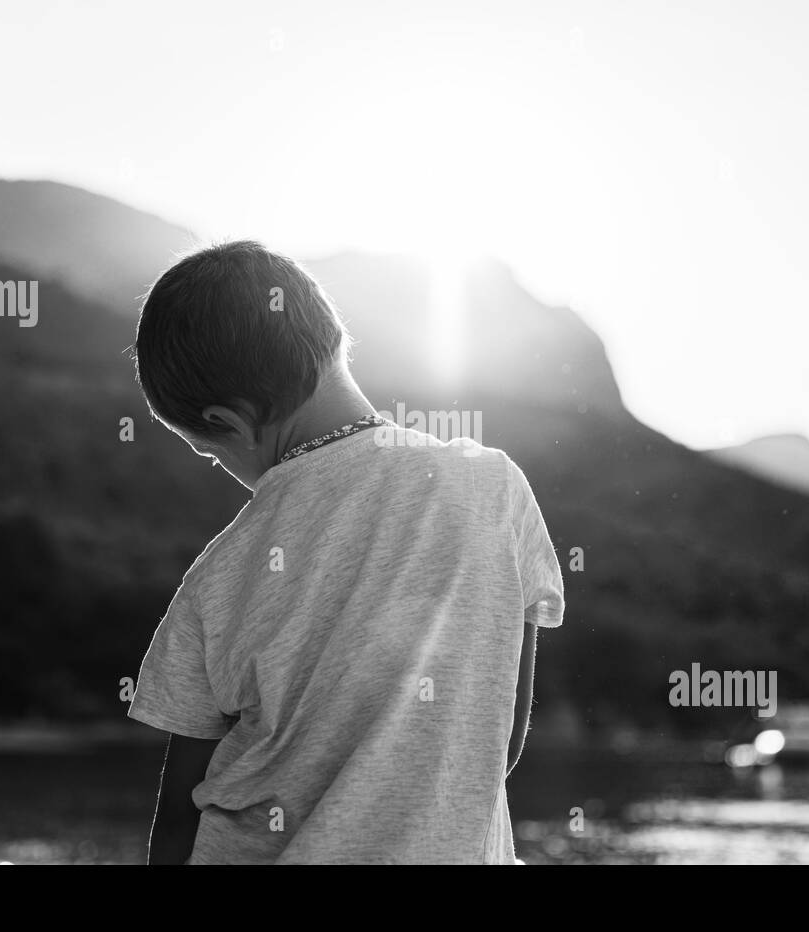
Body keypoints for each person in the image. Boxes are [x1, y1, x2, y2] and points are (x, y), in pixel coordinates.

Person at [127, 240, 564, 863]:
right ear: (334, 339)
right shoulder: (494, 489)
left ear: (232, 421)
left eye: (210, 450)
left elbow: (177, 821)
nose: (223, 468)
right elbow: (502, 737)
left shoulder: (218, 577)